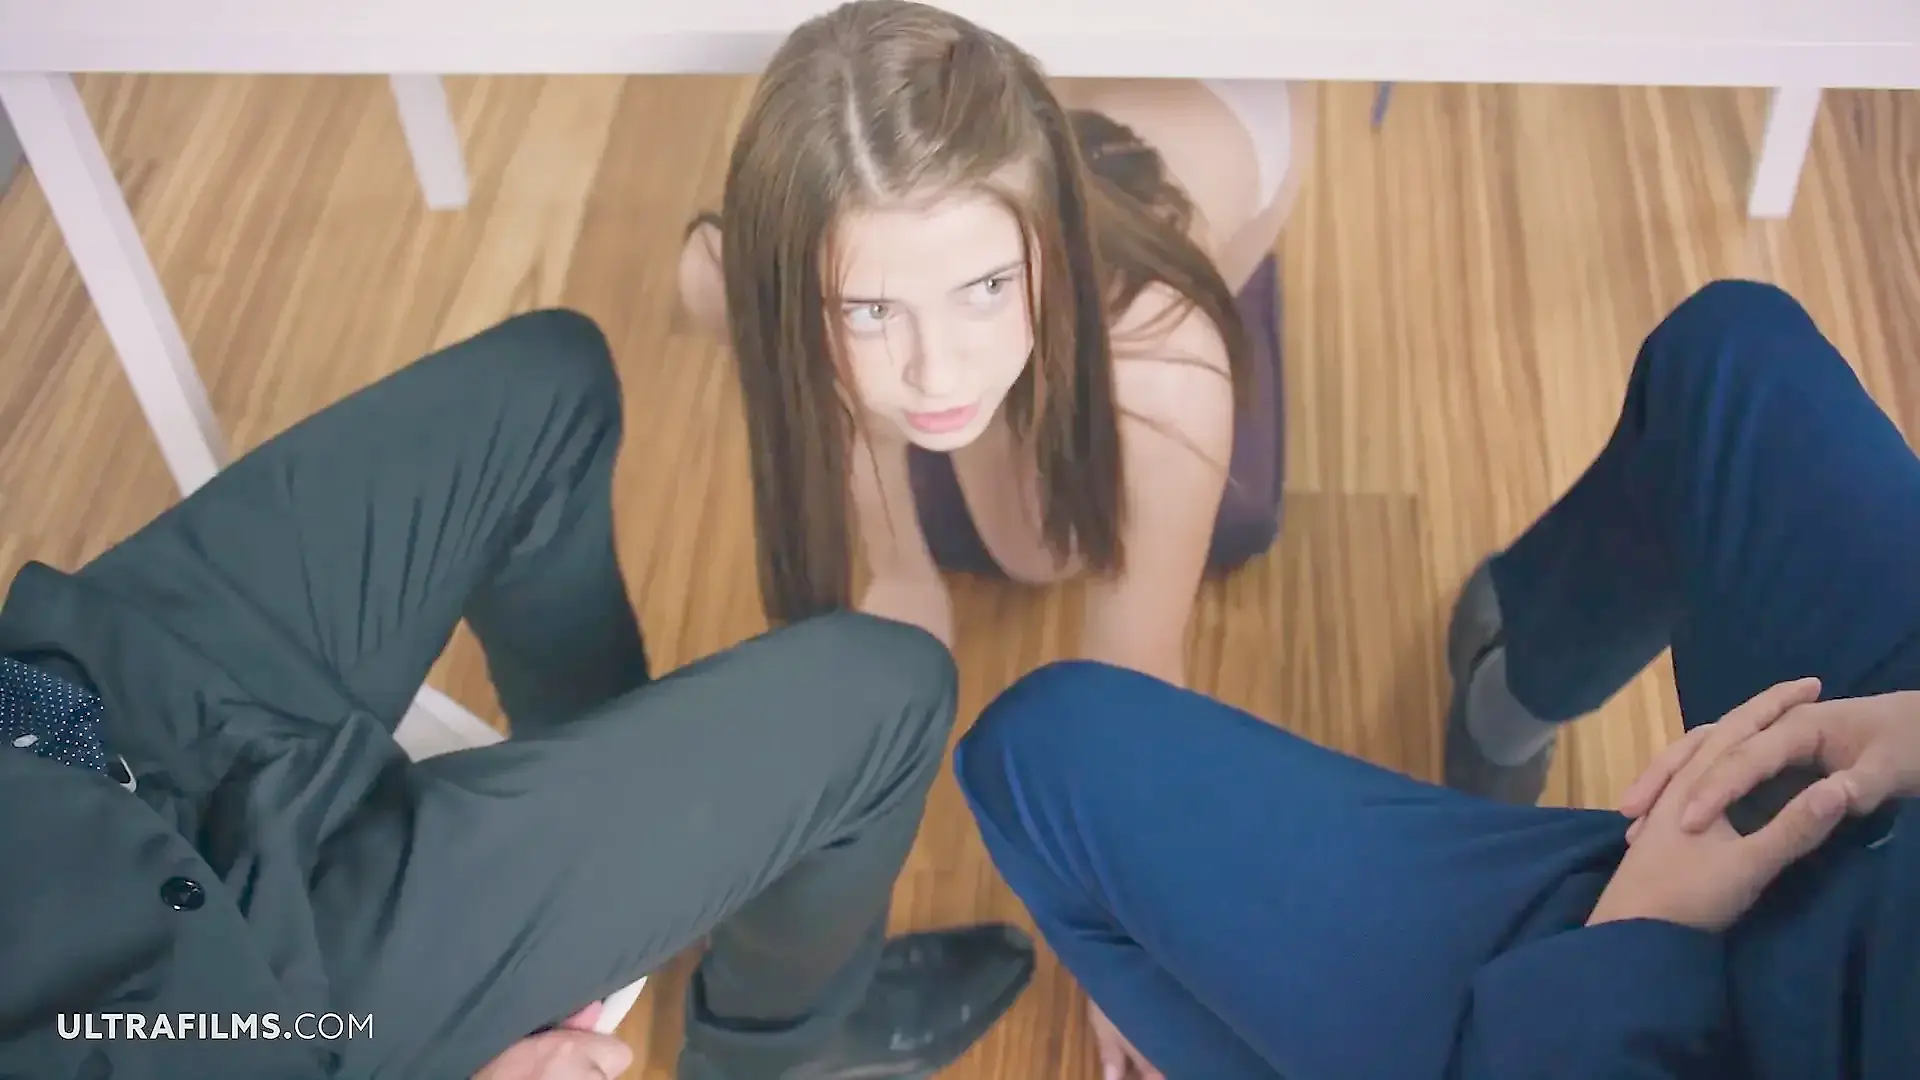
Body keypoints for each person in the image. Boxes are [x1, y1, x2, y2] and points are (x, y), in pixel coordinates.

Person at [0, 308, 1035, 1080]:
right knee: (887, 698)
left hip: (69, 725)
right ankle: (781, 1055)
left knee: (548, 385)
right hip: (216, 1014)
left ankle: (623, 871)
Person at [952, 280, 1920, 1079]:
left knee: (1037, 757)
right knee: (1730, 358)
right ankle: (1509, 692)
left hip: (1688, 1025)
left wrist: (1634, 946)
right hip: (1887, 805)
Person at [676, 0, 1313, 690]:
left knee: (1035, 551)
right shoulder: (740, 277)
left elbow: (1133, 691)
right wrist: (899, 567)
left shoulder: (1164, 371)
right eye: (872, 309)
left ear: (1050, 240)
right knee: (717, 284)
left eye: (987, 287)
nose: (938, 375)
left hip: (1214, 62)